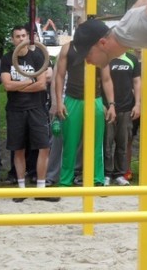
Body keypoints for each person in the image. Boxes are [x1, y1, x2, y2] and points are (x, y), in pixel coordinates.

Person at [0, 25, 59, 201]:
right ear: (12, 39)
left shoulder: (37, 56)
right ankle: (21, 189)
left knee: (43, 147)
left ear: (28, 37)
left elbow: (41, 85)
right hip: (16, 109)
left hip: (36, 108)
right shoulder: (7, 58)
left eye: (23, 35)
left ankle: (40, 189)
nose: (20, 39)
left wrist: (18, 86)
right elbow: (7, 86)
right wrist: (29, 82)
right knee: (18, 148)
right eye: (17, 36)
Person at [53, 41, 115, 188]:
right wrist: (59, 102)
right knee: (70, 143)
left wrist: (111, 104)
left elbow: (106, 79)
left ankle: (96, 179)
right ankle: (65, 181)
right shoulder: (68, 47)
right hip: (73, 99)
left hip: (94, 99)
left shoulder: (101, 48)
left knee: (96, 142)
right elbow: (60, 76)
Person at [104, 52, 141, 186]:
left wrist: (137, 104)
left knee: (123, 143)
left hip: (126, 108)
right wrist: (103, 105)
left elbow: (137, 82)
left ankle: (119, 174)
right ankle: (106, 174)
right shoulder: (106, 57)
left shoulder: (131, 59)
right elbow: (100, 81)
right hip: (108, 108)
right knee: (107, 143)